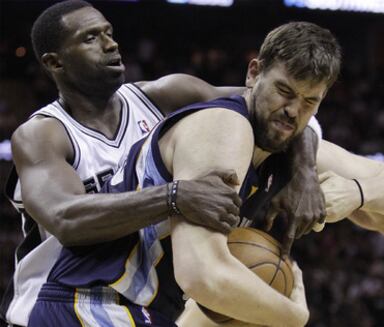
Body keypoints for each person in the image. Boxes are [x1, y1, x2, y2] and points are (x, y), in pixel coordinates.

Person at [1, 1, 326, 326]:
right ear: (55, 62)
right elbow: (65, 219)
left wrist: (305, 173)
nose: (110, 44)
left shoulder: (166, 95)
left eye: (109, 33)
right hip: (56, 305)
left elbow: (271, 105)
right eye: (90, 38)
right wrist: (174, 197)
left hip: (138, 300)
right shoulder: (43, 134)